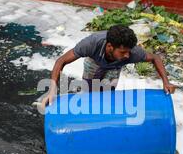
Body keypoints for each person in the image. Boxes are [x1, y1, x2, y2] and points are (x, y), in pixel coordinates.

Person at [41, 24, 175, 107]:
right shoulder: (91, 44)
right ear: (110, 46)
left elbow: (155, 58)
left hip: (115, 66)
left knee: (106, 93)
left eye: (129, 51)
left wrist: (166, 82)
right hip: (94, 61)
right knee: (90, 90)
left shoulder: (132, 52)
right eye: (123, 52)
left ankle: (105, 117)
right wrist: (53, 88)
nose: (128, 56)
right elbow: (61, 61)